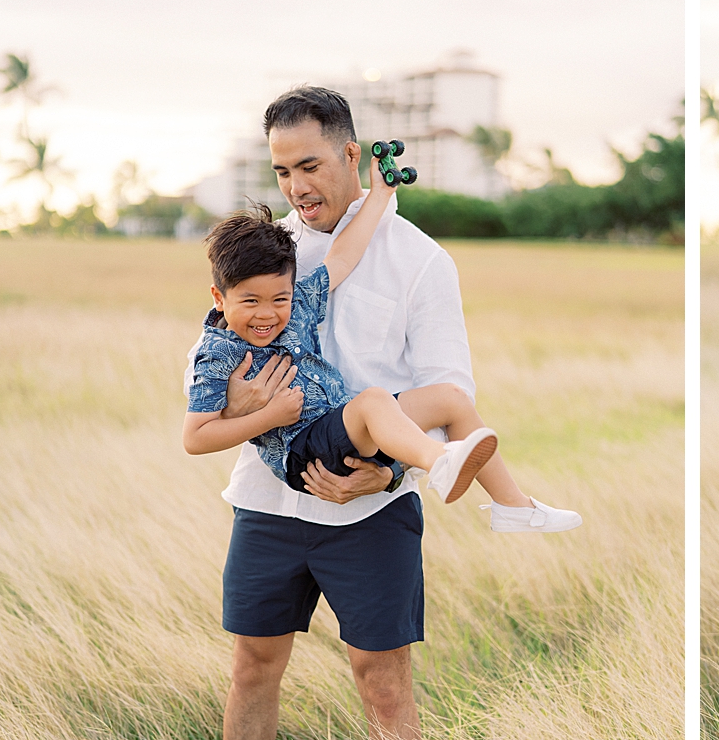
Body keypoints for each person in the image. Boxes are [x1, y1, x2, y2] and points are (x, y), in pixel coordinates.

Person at [185, 86, 578, 740]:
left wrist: (388, 471)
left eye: (309, 165)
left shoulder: (423, 262)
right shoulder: (272, 251)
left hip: (373, 509)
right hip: (268, 500)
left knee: (383, 679)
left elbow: (447, 385)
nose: (297, 187)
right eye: (281, 173)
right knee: (252, 666)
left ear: (351, 154)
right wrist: (245, 404)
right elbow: (220, 345)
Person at [184, 169, 502, 506]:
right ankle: (440, 461)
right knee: (373, 401)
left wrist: (380, 194)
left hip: (340, 423)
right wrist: (269, 416)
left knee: (450, 398)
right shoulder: (219, 351)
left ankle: (511, 505)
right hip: (304, 453)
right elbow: (196, 438)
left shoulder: (298, 305)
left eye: (279, 299)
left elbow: (343, 256)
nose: (267, 314)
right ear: (219, 298)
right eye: (251, 301)